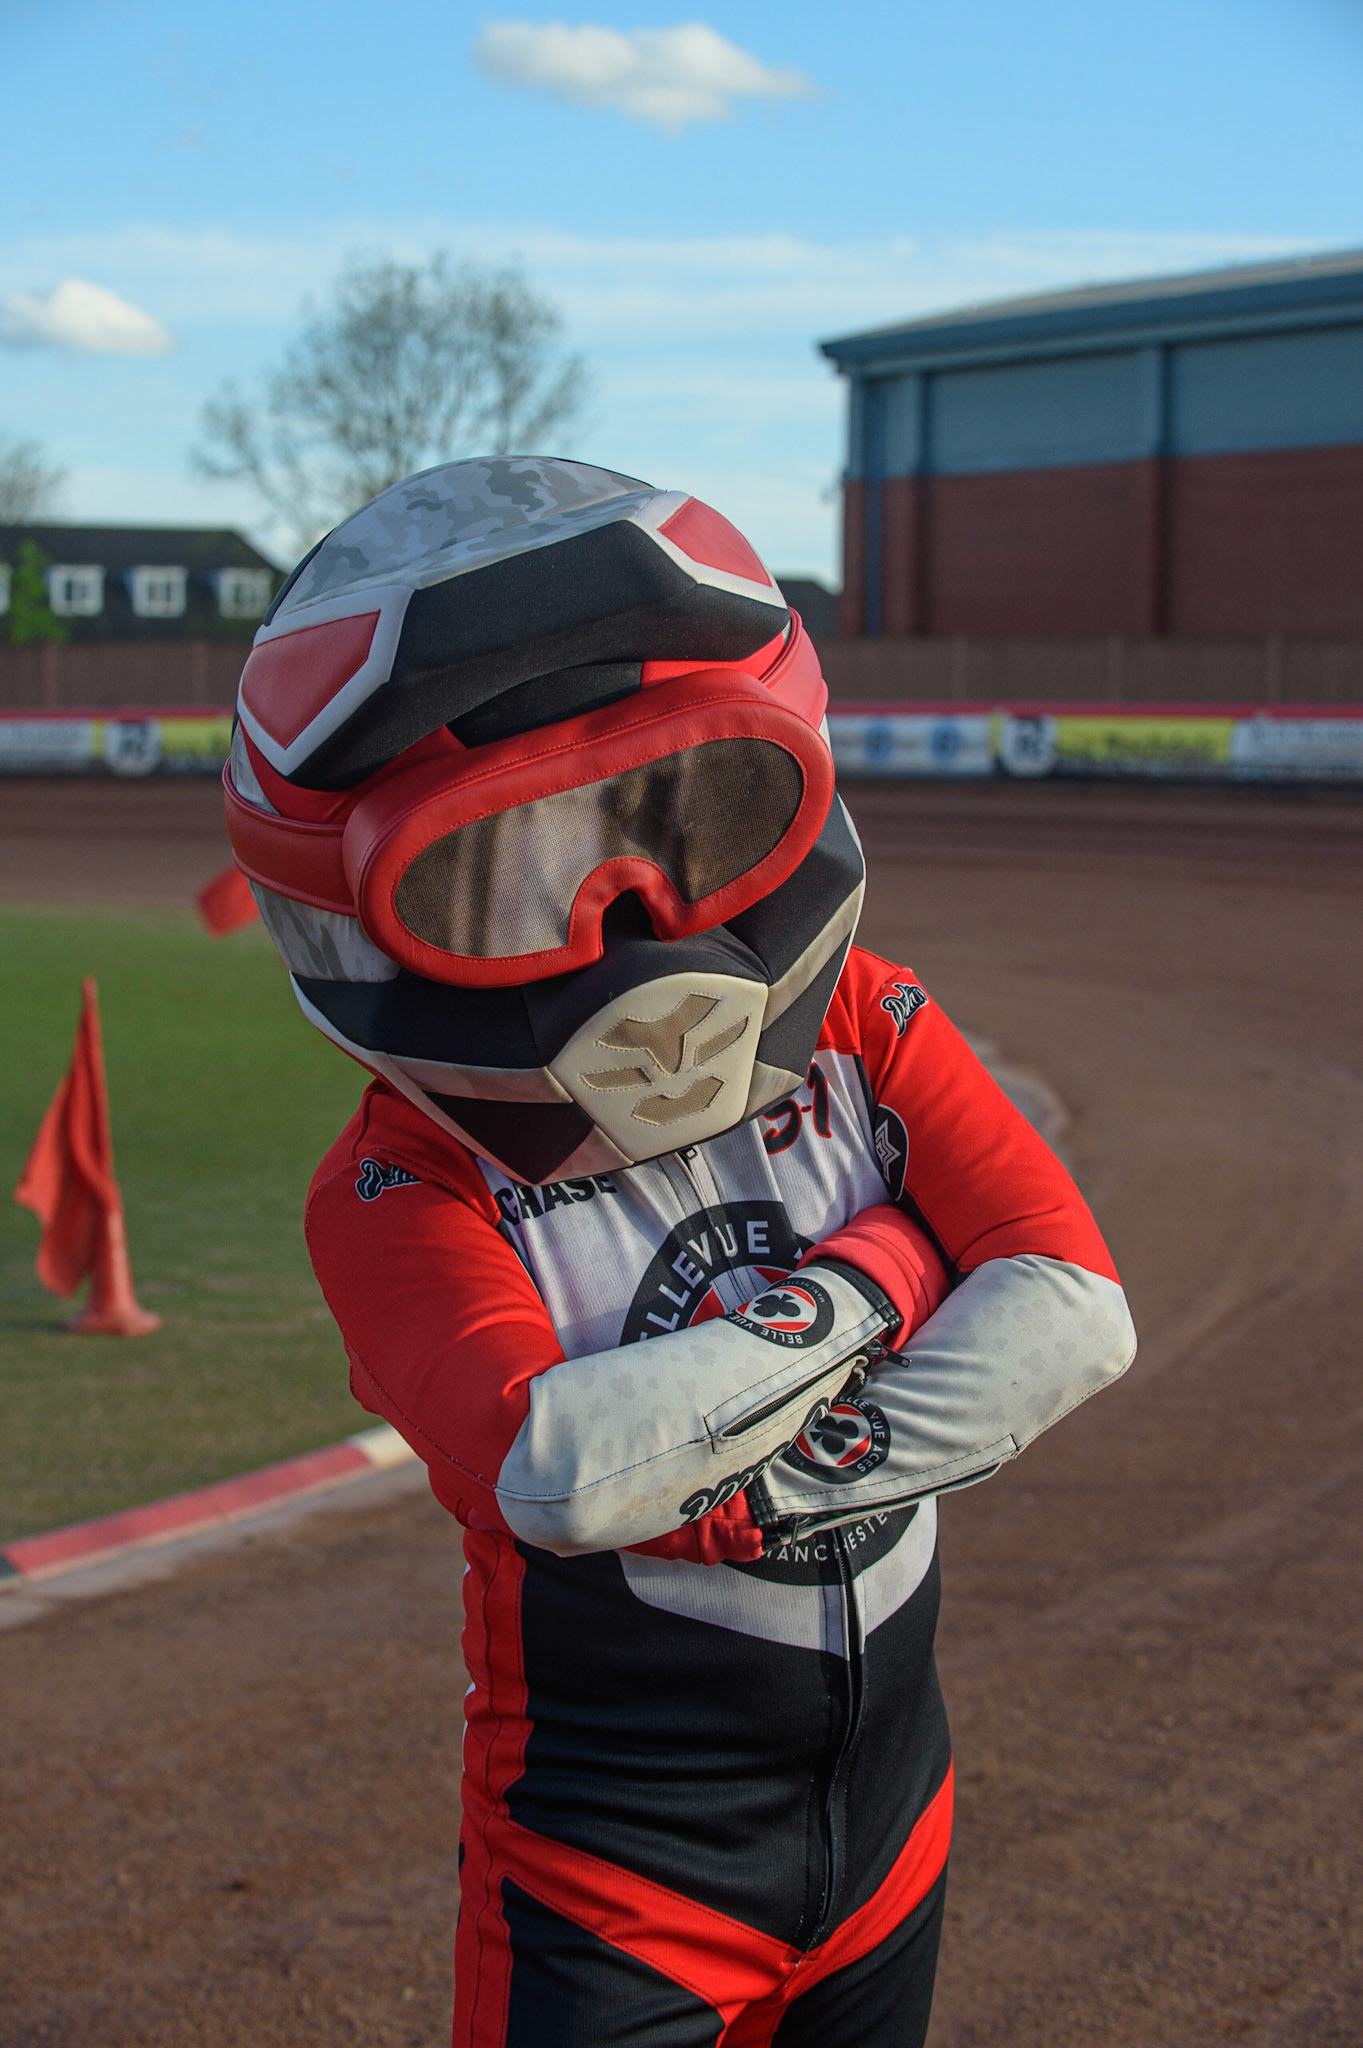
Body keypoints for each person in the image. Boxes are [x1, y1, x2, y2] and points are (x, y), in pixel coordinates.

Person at [225, 457, 1136, 2047]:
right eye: (501, 875)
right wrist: (885, 1276)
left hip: (892, 1823)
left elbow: (1073, 1313)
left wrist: (724, 1477)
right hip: (611, 1879)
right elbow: (565, 1474)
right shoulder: (402, 1182)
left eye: (687, 813)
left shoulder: (860, 1016)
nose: (632, 922)